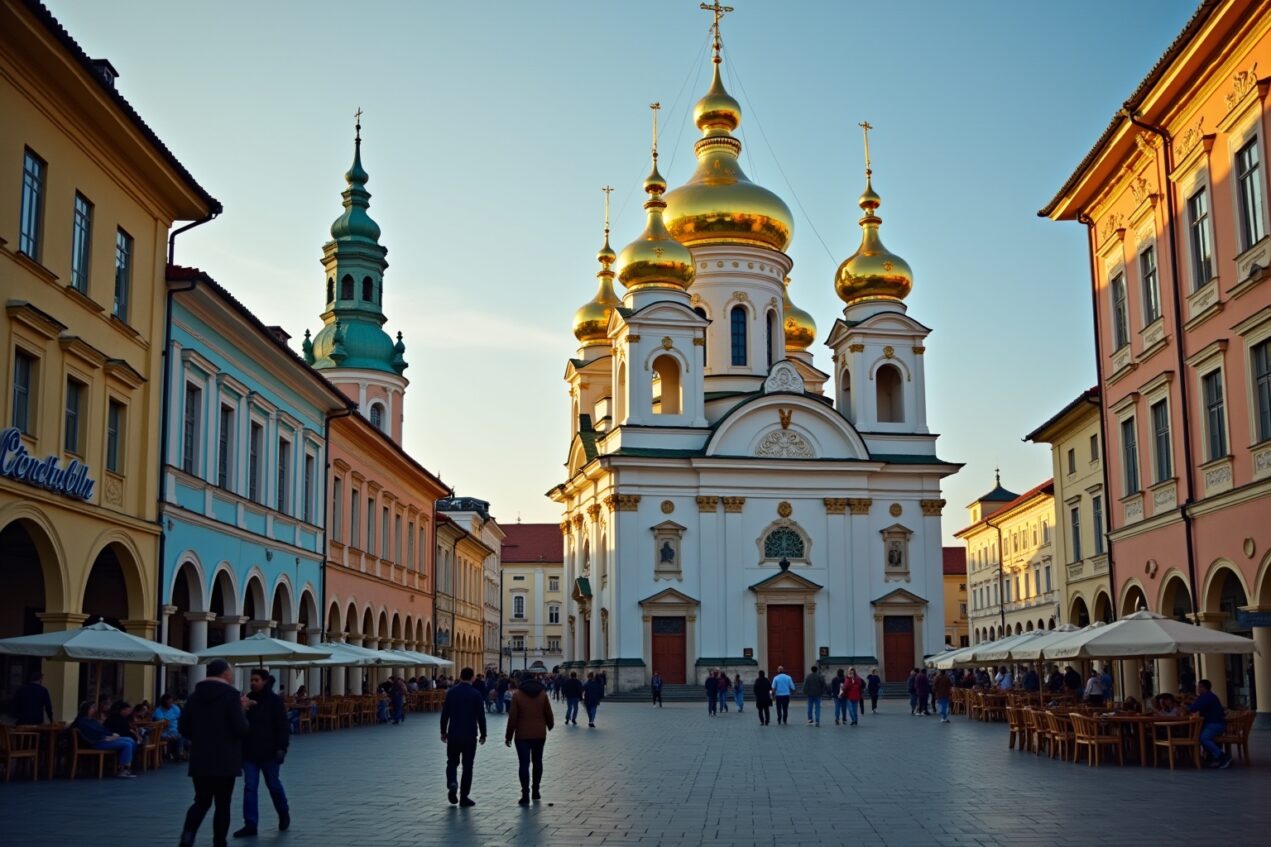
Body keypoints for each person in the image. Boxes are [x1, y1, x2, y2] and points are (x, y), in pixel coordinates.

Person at [178, 658, 252, 847]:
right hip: (225, 759)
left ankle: (188, 835)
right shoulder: (231, 696)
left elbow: (183, 727)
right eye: (231, 671)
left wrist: (200, 737)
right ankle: (219, 842)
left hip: (200, 758)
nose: (232, 674)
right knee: (222, 804)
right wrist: (243, 710)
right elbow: (241, 728)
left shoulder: (194, 696)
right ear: (225, 673)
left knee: (201, 801)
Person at [234, 670, 290, 839]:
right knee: (250, 787)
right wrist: (243, 709)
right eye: (251, 680)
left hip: (270, 752)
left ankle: (283, 811)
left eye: (256, 680)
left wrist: (281, 748)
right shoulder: (247, 700)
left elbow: (283, 727)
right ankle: (250, 823)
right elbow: (239, 725)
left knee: (273, 785)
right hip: (250, 753)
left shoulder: (275, 701)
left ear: (264, 681)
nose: (253, 682)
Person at [439, 667, 487, 807]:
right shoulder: (476, 694)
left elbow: (445, 714)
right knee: (468, 766)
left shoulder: (451, 692)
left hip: (454, 733)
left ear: (460, 677)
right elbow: (481, 716)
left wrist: (443, 732)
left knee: (452, 762)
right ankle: (464, 797)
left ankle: (452, 782)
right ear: (472, 678)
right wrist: (483, 734)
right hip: (470, 735)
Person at [505, 671, 554, 805]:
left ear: (521, 681)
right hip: (539, 734)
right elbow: (548, 712)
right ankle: (536, 790)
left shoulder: (517, 695)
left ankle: (525, 794)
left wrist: (508, 736)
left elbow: (513, 717)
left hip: (522, 735)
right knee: (537, 762)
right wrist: (550, 725)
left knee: (524, 764)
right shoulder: (542, 694)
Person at [71, 701, 137, 778]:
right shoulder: (82, 721)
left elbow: (103, 729)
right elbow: (92, 733)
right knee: (127, 744)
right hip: (96, 742)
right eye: (92, 708)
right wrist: (106, 737)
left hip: (104, 739)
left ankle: (126, 763)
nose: (95, 709)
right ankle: (123, 770)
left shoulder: (92, 720)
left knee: (130, 740)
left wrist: (111, 735)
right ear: (86, 709)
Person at [1189, 679, 1231, 768]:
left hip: (1215, 724)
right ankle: (1211, 757)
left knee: (1204, 738)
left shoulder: (1206, 697)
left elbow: (1194, 707)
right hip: (1215, 723)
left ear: (1202, 687)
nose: (1197, 689)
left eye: (1198, 687)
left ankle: (1223, 757)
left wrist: (1185, 707)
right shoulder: (1209, 696)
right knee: (1198, 735)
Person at [154, 693, 187, 760]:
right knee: (180, 736)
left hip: (176, 730)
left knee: (183, 734)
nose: (171, 704)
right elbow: (163, 723)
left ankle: (179, 754)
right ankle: (179, 753)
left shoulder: (175, 708)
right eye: (169, 702)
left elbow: (180, 717)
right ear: (164, 702)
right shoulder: (158, 711)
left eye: (171, 702)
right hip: (165, 731)